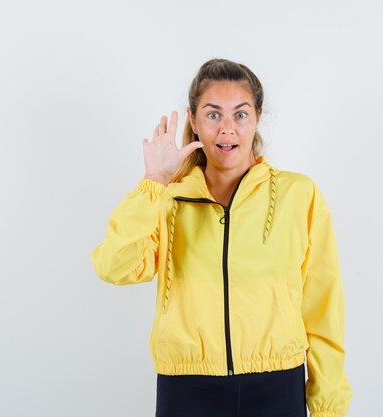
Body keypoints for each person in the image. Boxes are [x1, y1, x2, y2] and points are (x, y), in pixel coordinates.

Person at [90, 58, 352, 417]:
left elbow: (323, 306)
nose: (227, 129)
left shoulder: (299, 195)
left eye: (240, 114)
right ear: (194, 120)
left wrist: (328, 406)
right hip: (188, 389)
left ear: (258, 117)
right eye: (213, 115)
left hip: (277, 386)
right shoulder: (167, 200)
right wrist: (154, 182)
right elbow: (113, 267)